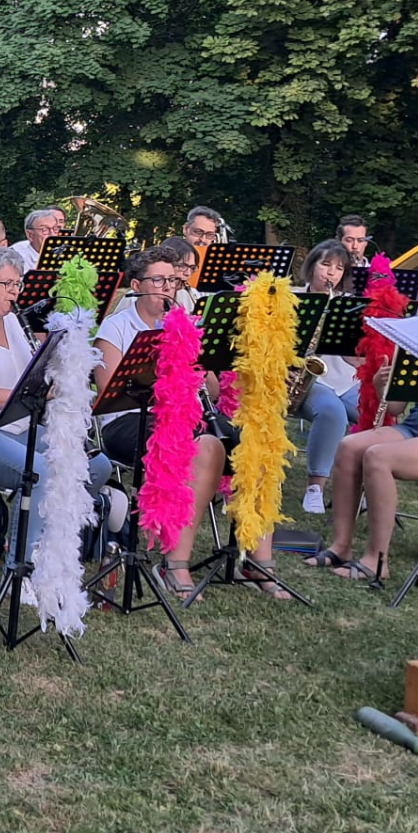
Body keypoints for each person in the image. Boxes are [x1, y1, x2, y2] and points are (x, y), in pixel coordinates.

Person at [96, 246, 289, 600]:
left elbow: (212, 391)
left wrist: (195, 365)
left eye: (172, 281)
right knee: (205, 446)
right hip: (131, 420)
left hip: (188, 416)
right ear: (137, 286)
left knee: (259, 443)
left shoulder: (184, 323)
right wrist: (163, 382)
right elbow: (110, 393)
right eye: (158, 280)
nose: (168, 288)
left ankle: (257, 559)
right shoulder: (117, 327)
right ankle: (175, 563)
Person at [0, 246, 123, 569]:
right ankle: (23, 568)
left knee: (95, 465)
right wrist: (30, 396)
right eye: (7, 284)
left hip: (13, 425)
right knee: (40, 472)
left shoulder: (11, 322)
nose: (15, 291)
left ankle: (57, 548)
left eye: (17, 284)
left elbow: (32, 372)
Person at [303, 268, 418, 583]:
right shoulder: (417, 339)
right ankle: (342, 546)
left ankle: (377, 559)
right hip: (414, 426)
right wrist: (384, 387)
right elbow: (396, 409)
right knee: (349, 446)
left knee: (378, 455)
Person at [291, 240, 357, 516]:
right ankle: (315, 488)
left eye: (339, 268)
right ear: (311, 266)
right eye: (326, 264)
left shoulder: (348, 306)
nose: (331, 273)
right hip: (303, 377)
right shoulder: (290, 297)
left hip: (344, 377)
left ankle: (362, 485)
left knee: (379, 410)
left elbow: (357, 357)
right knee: (332, 412)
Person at [8, 208, 64, 272]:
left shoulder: (63, 251)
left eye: (55, 228)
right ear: (30, 235)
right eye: (44, 229)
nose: (52, 234)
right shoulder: (15, 255)